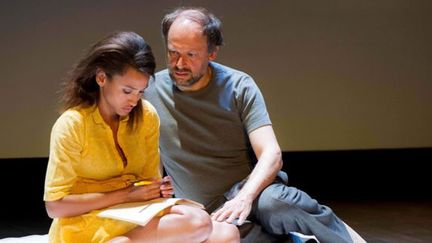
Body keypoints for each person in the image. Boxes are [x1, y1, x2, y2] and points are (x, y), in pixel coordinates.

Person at [146, 7, 365, 243]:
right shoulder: (150, 90)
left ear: (212, 53)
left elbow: (271, 153)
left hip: (254, 193)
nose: (179, 63)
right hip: (206, 211)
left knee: (277, 204)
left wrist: (244, 198)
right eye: (173, 52)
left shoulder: (238, 86)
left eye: (191, 55)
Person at [43, 31, 240, 243]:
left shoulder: (146, 116)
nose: (134, 100)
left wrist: (156, 189)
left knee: (226, 234)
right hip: (86, 222)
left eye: (140, 92)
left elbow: (147, 183)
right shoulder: (73, 124)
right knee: (197, 224)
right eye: (127, 91)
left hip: (133, 216)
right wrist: (127, 194)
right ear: (101, 78)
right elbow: (55, 206)